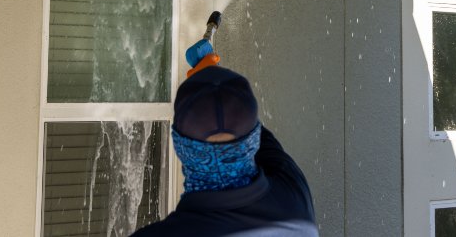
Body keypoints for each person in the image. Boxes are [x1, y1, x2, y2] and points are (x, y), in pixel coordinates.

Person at [131, 64, 318, 236]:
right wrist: (217, 90)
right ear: (252, 141)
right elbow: (261, 139)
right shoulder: (294, 200)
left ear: (179, 146)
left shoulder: (294, 192)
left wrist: (206, 81)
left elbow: (254, 134)